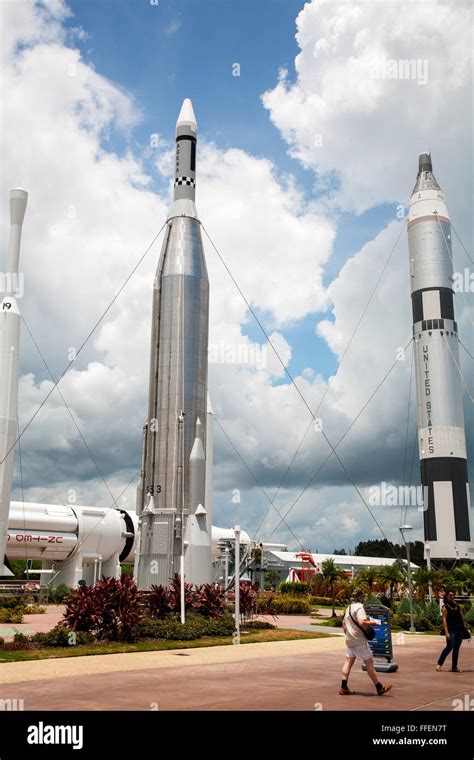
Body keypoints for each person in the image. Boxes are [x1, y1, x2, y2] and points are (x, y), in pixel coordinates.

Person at [339, 589, 392, 696]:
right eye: (363, 597)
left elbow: (343, 624)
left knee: (348, 662)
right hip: (359, 641)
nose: (364, 599)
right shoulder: (359, 607)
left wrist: (348, 634)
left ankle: (343, 687)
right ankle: (379, 687)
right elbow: (361, 622)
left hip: (350, 640)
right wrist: (374, 622)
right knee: (369, 663)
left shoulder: (348, 608)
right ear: (359, 598)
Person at [436, 591, 467, 673]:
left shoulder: (457, 606)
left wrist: (464, 625)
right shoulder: (445, 607)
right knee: (449, 647)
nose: (452, 596)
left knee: (456, 649)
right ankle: (439, 664)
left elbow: (461, 615)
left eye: (453, 595)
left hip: (459, 629)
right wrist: (446, 632)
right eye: (450, 595)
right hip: (451, 630)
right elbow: (444, 620)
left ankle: (454, 667)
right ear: (446, 596)